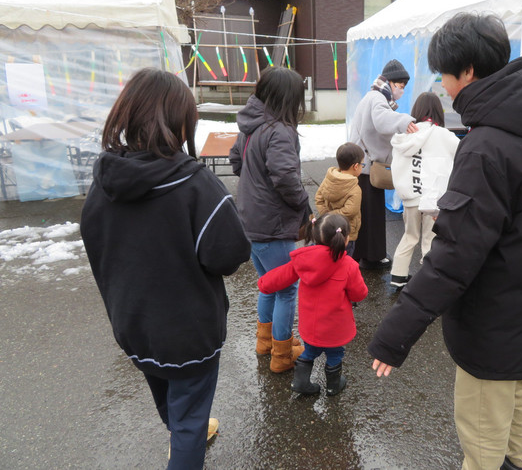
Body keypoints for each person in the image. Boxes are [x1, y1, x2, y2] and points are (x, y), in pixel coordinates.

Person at [368, 12, 522, 470]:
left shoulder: (487, 147)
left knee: (482, 447)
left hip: (493, 327)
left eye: (445, 75)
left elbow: (453, 257)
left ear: (469, 72)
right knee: (520, 430)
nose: (443, 86)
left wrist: (396, 334)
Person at [80, 68, 251, 469]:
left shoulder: (105, 181)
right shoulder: (193, 185)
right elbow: (229, 254)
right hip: (189, 334)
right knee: (190, 420)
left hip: (134, 326)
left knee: (168, 395)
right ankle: (186, 437)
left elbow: (95, 243)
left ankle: (181, 429)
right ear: (180, 121)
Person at [229, 67, 310, 373]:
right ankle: (282, 354)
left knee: (268, 285)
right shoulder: (278, 129)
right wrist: (305, 205)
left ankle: (266, 343)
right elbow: (287, 179)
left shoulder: (251, 124)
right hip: (273, 226)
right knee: (287, 289)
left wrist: (254, 182)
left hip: (250, 219)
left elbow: (236, 160)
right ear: (288, 97)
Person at [258, 213, 368, 396]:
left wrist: (263, 284)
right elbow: (359, 293)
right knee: (335, 354)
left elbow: (280, 276)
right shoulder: (348, 265)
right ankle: (333, 386)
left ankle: (300, 383)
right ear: (345, 238)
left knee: (309, 351)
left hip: (311, 325)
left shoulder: (303, 260)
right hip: (335, 327)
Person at [348, 59, 419, 269]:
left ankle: (362, 253)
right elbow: (382, 120)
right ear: (391, 82)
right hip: (368, 167)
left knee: (364, 213)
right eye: (401, 85)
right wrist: (405, 121)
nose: (402, 90)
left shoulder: (372, 96)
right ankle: (374, 257)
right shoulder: (378, 98)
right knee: (372, 215)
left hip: (361, 164)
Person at [389, 92, 459, 290]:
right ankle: (431, 279)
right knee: (431, 238)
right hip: (434, 199)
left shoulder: (405, 136)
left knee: (410, 236)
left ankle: (398, 276)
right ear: (439, 111)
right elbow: (462, 154)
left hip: (410, 197)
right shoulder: (444, 135)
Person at [315, 142, 364, 257]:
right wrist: (332, 217)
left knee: (329, 259)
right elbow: (350, 211)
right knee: (344, 261)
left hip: (328, 231)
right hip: (347, 233)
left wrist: (327, 217)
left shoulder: (330, 178)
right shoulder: (354, 188)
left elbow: (318, 198)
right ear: (355, 166)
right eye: (363, 164)